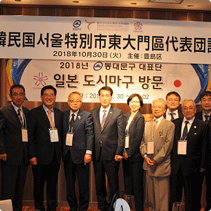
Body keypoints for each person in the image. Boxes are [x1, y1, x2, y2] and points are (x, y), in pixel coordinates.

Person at [28, 85, 63, 211]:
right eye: (46, 95)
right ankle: (39, 207)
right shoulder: (34, 113)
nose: (49, 97)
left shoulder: (59, 114)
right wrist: (32, 155)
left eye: (51, 95)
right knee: (38, 184)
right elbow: (30, 136)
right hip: (39, 156)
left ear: (55, 97)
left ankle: (52, 206)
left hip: (55, 155)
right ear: (41, 97)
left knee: (53, 184)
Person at [170, 99, 208, 211]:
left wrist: (202, 166)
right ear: (181, 110)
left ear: (195, 109)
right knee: (174, 197)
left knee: (192, 198)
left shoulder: (202, 125)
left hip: (193, 168)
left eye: (191, 107)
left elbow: (204, 147)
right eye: (185, 108)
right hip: (176, 167)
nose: (188, 110)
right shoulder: (175, 123)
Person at [91, 86, 125, 211]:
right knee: (99, 183)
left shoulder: (117, 112)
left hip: (112, 154)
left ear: (111, 97)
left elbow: (121, 135)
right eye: (102, 95)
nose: (104, 98)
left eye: (107, 95)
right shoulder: (93, 112)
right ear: (99, 97)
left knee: (113, 183)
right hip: (97, 154)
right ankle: (102, 206)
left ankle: (113, 207)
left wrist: (119, 152)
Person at [140, 98, 175, 211]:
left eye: (159, 107)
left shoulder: (169, 125)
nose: (156, 109)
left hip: (161, 166)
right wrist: (145, 156)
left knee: (162, 199)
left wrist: (155, 160)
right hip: (148, 165)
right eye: (154, 106)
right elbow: (142, 142)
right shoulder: (147, 124)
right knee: (151, 199)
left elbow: (167, 146)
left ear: (164, 110)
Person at [62, 91, 94, 211]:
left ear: (81, 102)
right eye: (72, 100)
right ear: (68, 102)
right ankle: (73, 207)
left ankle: (83, 208)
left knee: (83, 185)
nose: (75, 103)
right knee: (69, 185)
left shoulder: (87, 115)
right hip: (67, 155)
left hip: (82, 156)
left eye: (78, 101)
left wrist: (88, 152)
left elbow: (90, 134)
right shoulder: (63, 115)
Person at [0, 84, 29, 211]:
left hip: (23, 156)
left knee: (19, 188)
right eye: (15, 94)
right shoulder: (4, 110)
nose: (18, 97)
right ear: (10, 96)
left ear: (24, 95)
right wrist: (2, 151)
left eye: (21, 94)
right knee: (8, 189)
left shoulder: (26, 112)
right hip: (9, 157)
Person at [122, 93, 145, 211]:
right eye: (132, 101)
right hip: (125, 156)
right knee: (128, 185)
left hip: (135, 157)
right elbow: (121, 135)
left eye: (136, 102)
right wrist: (123, 152)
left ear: (140, 104)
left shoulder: (140, 118)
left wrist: (129, 152)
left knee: (137, 186)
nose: (134, 104)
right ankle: (128, 208)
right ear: (128, 103)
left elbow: (138, 138)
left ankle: (139, 208)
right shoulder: (125, 116)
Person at [195, 91, 211, 211]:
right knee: (196, 188)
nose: (206, 102)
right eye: (204, 99)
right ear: (200, 102)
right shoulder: (195, 116)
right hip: (197, 160)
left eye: (209, 99)